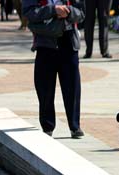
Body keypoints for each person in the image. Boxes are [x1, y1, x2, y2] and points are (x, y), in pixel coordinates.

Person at [23, 0, 86, 139]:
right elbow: (29, 12)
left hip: (69, 44)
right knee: (44, 89)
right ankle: (47, 126)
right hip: (45, 44)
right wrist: (53, 10)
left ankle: (75, 126)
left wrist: (68, 11)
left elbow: (81, 13)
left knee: (72, 88)